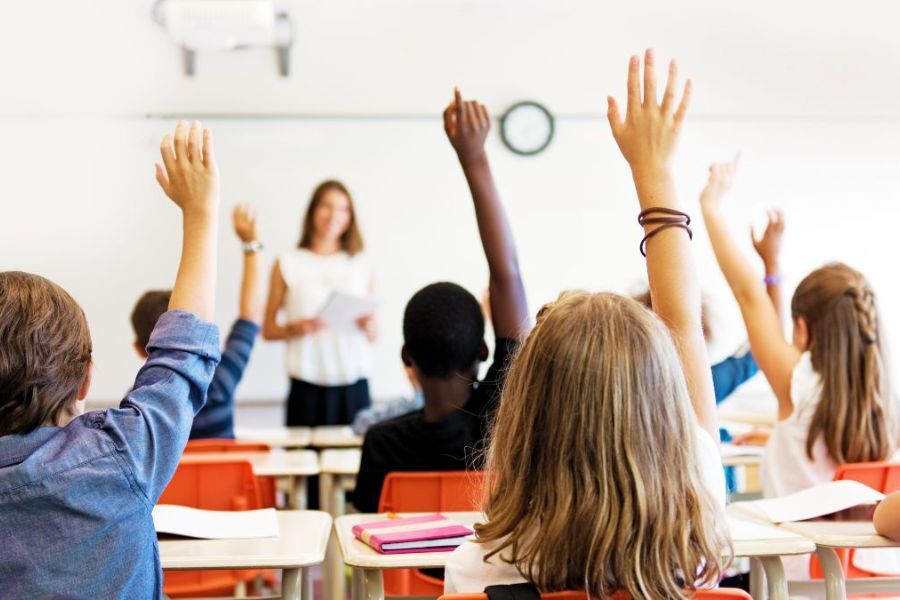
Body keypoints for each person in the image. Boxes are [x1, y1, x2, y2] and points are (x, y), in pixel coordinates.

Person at [444, 51, 729, 599]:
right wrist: (655, 173)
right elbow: (684, 325)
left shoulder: (480, 568)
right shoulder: (698, 530)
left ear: (525, 416)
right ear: (664, 402)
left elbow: (682, 327)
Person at [0, 121, 221, 597]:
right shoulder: (119, 457)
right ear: (84, 382)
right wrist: (200, 213)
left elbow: (182, 353)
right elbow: (182, 356)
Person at [700, 155, 897, 577]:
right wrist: (773, 265)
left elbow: (747, 296)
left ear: (803, 330)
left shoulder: (799, 383)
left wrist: (711, 205)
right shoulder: (887, 403)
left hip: (794, 582)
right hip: (868, 582)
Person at [352, 88, 529, 513]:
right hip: (490, 582)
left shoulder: (382, 444)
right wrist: (474, 159)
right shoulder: (502, 424)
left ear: (406, 358)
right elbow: (507, 275)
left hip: (406, 584)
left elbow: (365, 541)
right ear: (484, 351)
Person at [130, 203, 264, 439]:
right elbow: (250, 316)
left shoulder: (137, 406)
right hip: (224, 478)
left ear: (140, 348)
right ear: (191, 333)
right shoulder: (220, 383)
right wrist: (250, 245)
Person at [263, 180, 376, 426]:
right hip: (307, 385)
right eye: (327, 206)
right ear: (313, 210)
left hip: (354, 383)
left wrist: (370, 327)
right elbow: (268, 329)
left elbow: (373, 332)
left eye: (343, 209)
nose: (334, 215)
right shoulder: (287, 263)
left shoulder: (360, 263)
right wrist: (296, 328)